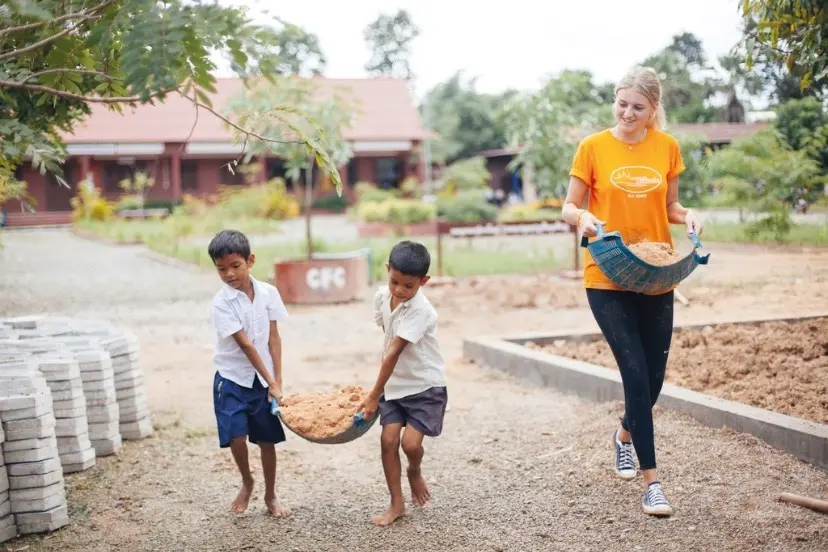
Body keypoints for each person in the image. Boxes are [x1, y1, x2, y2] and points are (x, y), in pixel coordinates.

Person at [561, 66, 703, 517]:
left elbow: (670, 205)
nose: (627, 112)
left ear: (652, 110)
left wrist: (688, 215)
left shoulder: (667, 147)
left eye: (637, 107)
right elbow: (569, 205)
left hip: (657, 270)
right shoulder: (593, 147)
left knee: (655, 377)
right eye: (621, 103)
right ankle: (652, 483)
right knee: (636, 374)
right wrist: (580, 219)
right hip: (607, 272)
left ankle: (624, 434)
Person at [358, 240, 448, 527]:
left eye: (408, 286)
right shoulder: (382, 297)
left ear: (424, 281)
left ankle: (415, 470)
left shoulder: (421, 311)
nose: (399, 290)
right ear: (387, 270)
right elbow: (386, 334)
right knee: (387, 440)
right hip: (395, 386)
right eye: (394, 281)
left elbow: (393, 351)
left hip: (425, 387)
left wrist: (373, 395)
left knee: (410, 445)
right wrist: (383, 389)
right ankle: (396, 504)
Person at [208, 229, 291, 518]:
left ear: (250, 260)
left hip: (262, 382)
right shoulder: (221, 304)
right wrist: (272, 380)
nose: (229, 274)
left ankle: (271, 495)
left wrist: (276, 380)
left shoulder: (268, 293)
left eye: (235, 266)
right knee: (236, 437)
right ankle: (247, 481)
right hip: (231, 379)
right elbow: (245, 345)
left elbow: (274, 339)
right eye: (221, 269)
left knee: (267, 441)